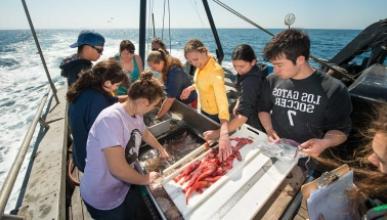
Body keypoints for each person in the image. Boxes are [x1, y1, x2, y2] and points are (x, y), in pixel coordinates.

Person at [80, 72, 170, 219]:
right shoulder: (110, 119)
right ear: (144, 102)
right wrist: (145, 179)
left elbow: (144, 133)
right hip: (103, 196)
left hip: (123, 187)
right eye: (154, 106)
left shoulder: (136, 113)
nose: (153, 109)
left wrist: (160, 148)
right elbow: (117, 169)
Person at [258, 29, 352, 157]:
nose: (275, 70)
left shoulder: (334, 89)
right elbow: (263, 108)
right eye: (273, 65)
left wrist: (324, 143)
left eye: (279, 65)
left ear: (300, 60)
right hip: (276, 148)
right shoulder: (272, 80)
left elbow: (341, 131)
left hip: (308, 156)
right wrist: (269, 129)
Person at [67, 59, 125, 172]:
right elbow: (106, 140)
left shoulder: (89, 87)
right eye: (117, 85)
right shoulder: (99, 102)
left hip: (78, 152)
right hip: (90, 162)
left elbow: (113, 100)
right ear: (108, 83)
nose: (117, 88)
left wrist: (131, 98)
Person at [180, 39, 232, 162]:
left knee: (217, 148)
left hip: (215, 115)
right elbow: (202, 81)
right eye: (190, 61)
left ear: (205, 51)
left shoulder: (215, 72)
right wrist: (190, 88)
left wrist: (224, 131)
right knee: (207, 143)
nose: (194, 64)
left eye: (196, 59)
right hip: (203, 110)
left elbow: (222, 101)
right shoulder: (202, 64)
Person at [204, 44, 268, 141]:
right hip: (250, 106)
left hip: (256, 120)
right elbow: (244, 93)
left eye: (241, 66)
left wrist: (218, 133)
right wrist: (238, 102)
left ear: (253, 62)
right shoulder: (251, 71)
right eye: (235, 66)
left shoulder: (250, 82)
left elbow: (242, 117)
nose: (238, 70)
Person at [147, 49, 197, 118]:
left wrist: (157, 117)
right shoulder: (167, 68)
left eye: (154, 67)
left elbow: (169, 100)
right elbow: (168, 88)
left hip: (190, 103)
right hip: (180, 101)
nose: (152, 69)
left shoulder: (174, 73)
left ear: (161, 62)